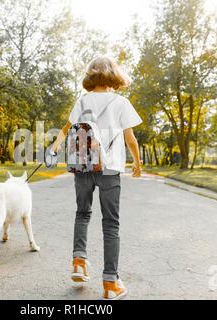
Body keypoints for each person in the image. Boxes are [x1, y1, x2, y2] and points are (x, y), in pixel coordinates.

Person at [50, 56, 143, 300]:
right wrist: (137, 161)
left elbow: (66, 129)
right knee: (111, 223)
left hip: (83, 166)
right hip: (110, 169)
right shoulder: (121, 102)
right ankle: (110, 284)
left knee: (82, 214)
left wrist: (54, 148)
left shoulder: (83, 100)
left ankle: (79, 263)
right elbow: (130, 138)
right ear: (114, 75)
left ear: (91, 75)